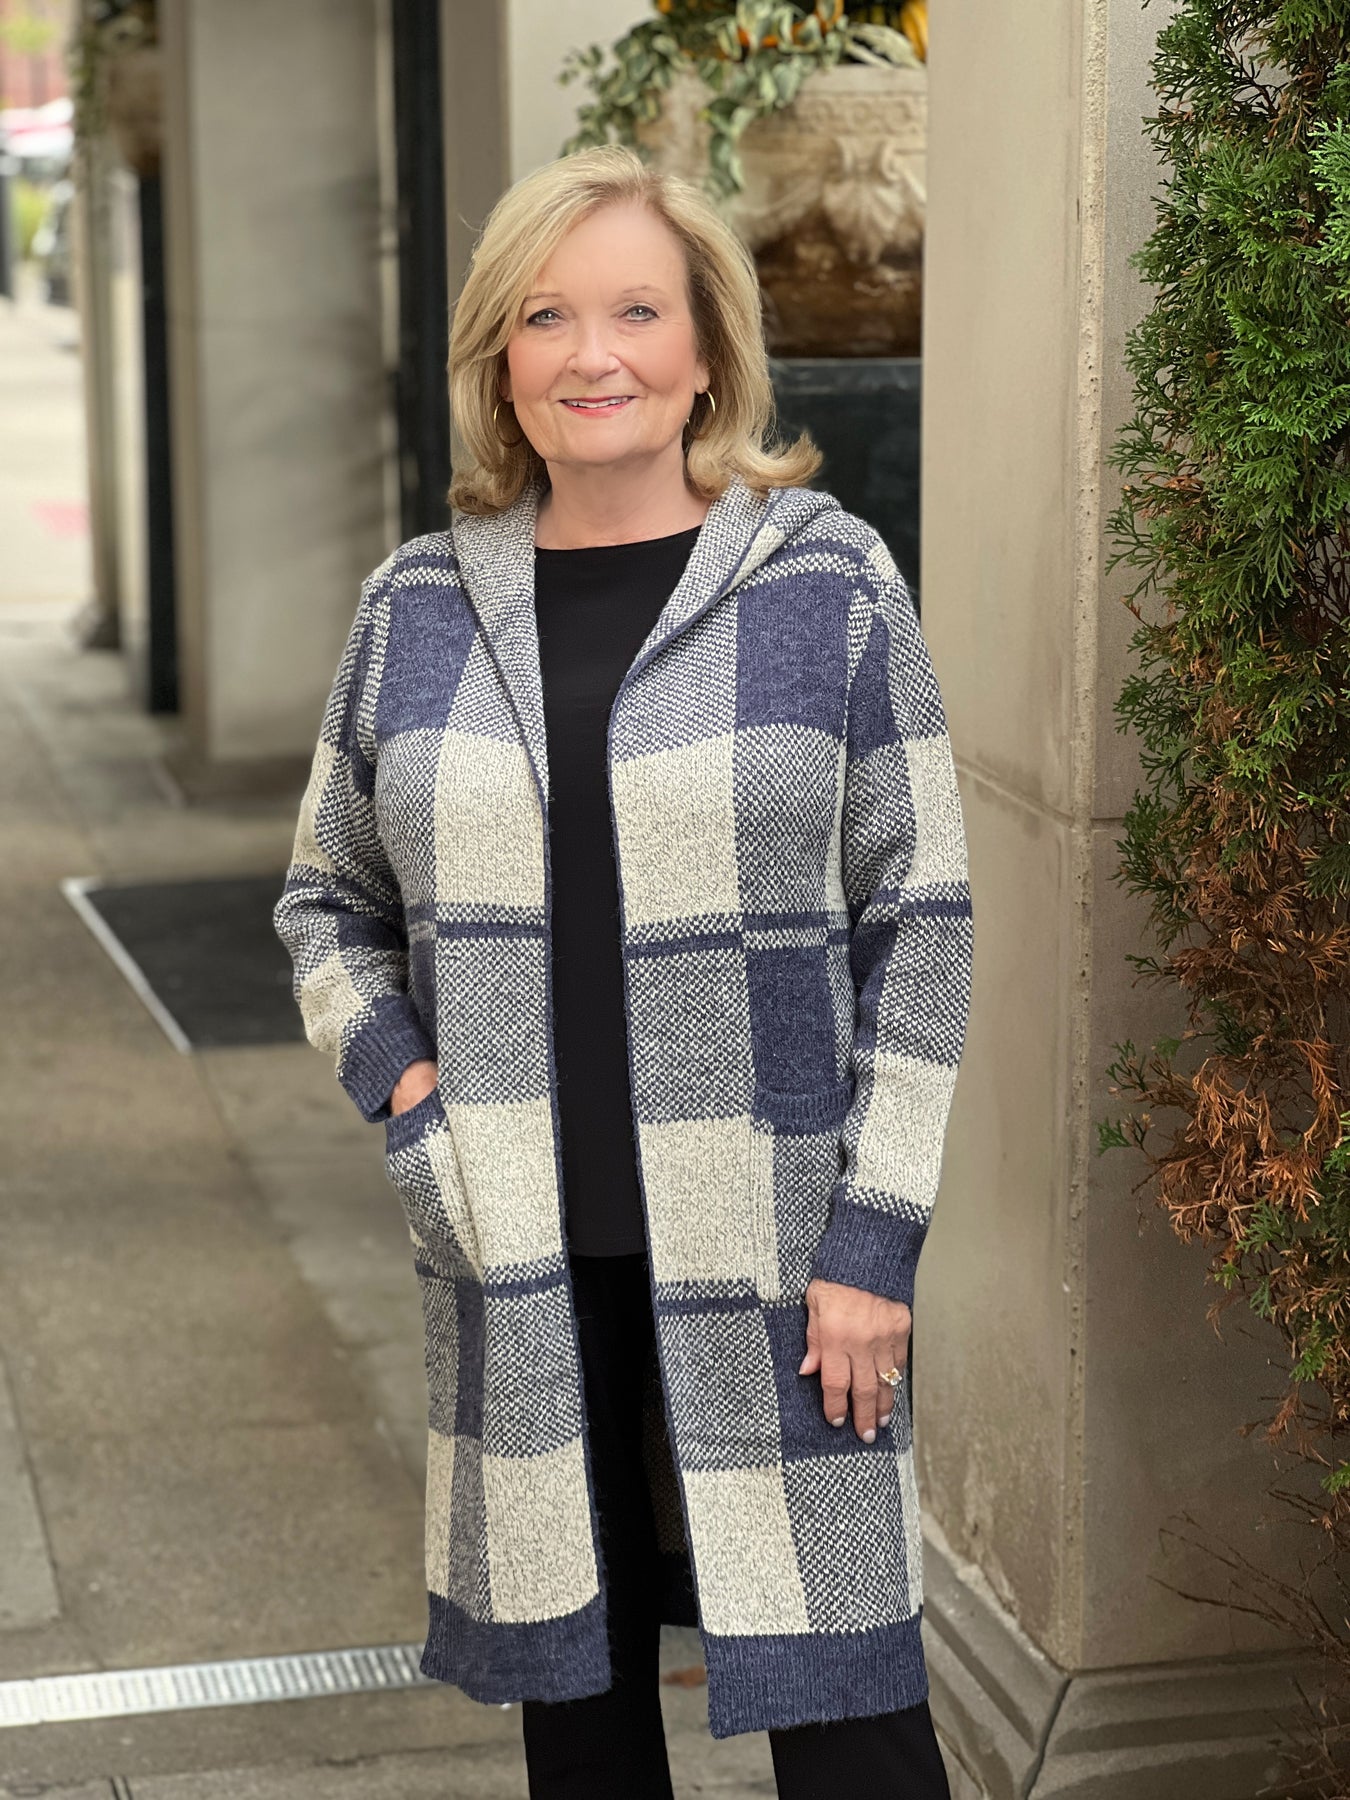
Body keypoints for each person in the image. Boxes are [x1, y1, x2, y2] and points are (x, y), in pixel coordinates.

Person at [273, 142, 972, 1800]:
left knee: (853, 1724)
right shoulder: (417, 607)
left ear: (708, 348)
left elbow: (923, 915)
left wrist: (873, 1241)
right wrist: (408, 1090)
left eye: (637, 311)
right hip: (519, 1247)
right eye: (546, 317)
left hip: (778, 1250)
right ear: (499, 364)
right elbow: (323, 900)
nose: (593, 355)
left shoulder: (823, 582)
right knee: (580, 1733)